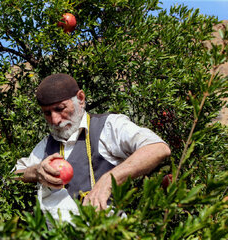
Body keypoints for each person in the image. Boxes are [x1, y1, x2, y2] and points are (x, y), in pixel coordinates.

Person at [14, 73, 171, 222]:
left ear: (80, 98)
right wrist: (35, 172)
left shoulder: (108, 126)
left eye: (60, 109)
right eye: (47, 113)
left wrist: (108, 181)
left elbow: (158, 148)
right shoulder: (46, 145)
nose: (55, 120)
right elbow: (13, 176)